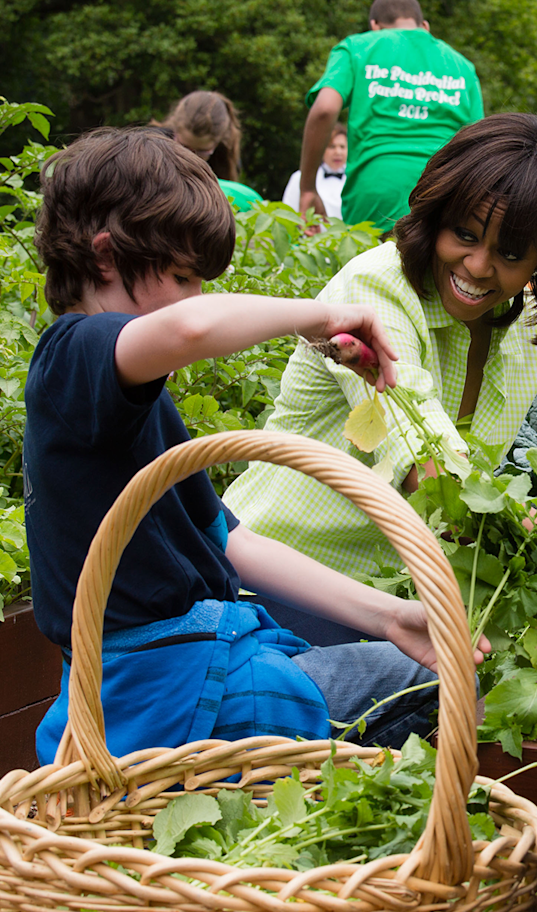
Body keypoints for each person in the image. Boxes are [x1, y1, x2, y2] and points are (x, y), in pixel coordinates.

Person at [25, 126, 487, 765]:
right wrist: (321, 315)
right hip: (172, 701)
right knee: (460, 691)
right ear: (105, 257)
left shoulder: (135, 406)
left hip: (203, 678)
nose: (197, 297)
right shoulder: (71, 358)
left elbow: (232, 543)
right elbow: (187, 328)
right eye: (184, 275)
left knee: (420, 665)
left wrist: (391, 616)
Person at [224, 113, 537, 638]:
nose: (477, 265)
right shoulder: (376, 287)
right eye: (465, 235)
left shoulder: (524, 332)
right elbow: (423, 457)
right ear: (438, 215)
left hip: (396, 603)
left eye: (511, 253)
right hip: (272, 583)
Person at [297, 0, 483, 231]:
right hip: (445, 191)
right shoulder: (462, 66)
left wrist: (307, 188)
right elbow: (480, 141)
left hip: (376, 191)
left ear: (374, 25)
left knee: (371, 266)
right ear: (425, 25)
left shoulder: (357, 47)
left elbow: (325, 109)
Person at [155, 91, 264, 211]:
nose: (190, 156)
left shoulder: (226, 167)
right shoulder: (152, 151)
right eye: (184, 147)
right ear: (174, 130)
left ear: (219, 142)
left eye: (201, 152)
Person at [282, 123, 347, 220]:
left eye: (342, 147)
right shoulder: (300, 178)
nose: (338, 152)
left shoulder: (358, 180)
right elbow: (287, 214)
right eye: (332, 146)